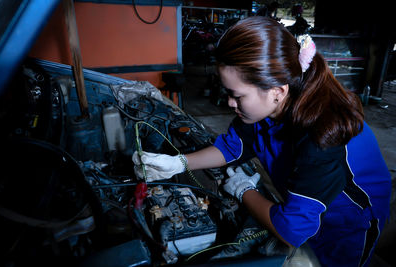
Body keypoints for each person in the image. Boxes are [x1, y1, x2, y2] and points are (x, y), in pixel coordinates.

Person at [132, 16, 391, 267]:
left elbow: (290, 230)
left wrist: (244, 192)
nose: (231, 103)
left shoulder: (322, 137)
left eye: (237, 96)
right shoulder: (270, 106)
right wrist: (178, 163)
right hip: (306, 202)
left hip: (346, 224)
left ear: (277, 91)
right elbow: (233, 146)